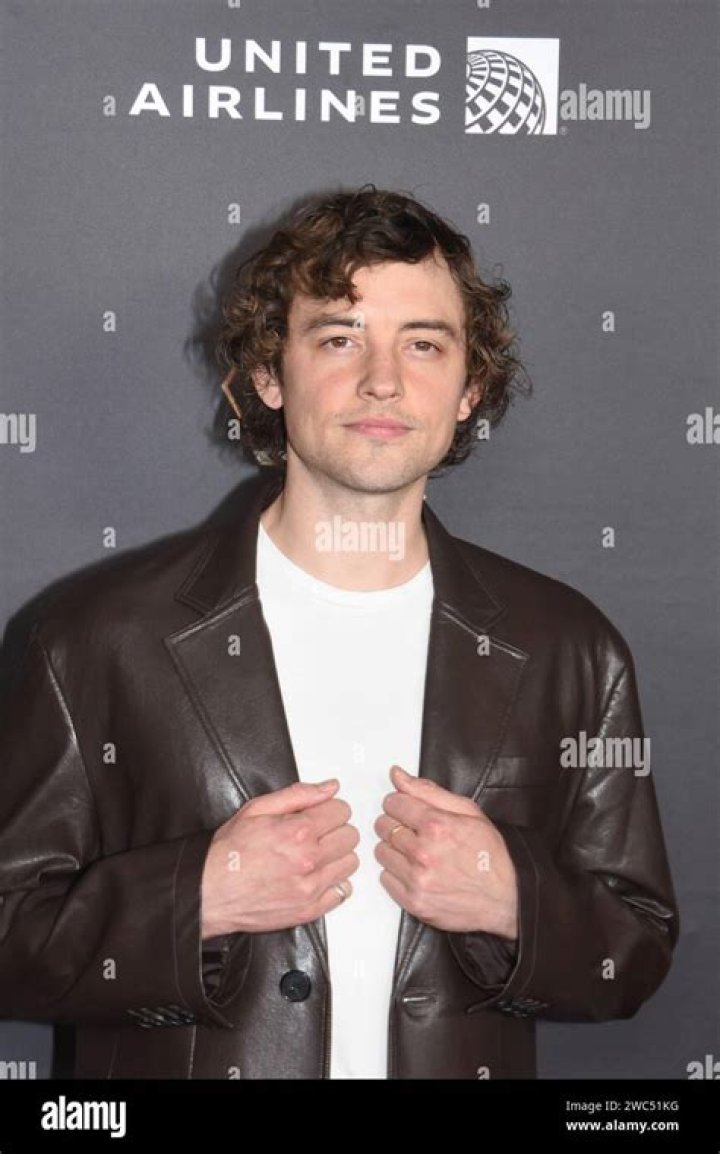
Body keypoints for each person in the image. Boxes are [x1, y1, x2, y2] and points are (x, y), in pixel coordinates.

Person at [0, 187, 678, 1080]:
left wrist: (516, 901)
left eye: (424, 344)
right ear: (268, 376)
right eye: (339, 338)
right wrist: (194, 897)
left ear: (470, 387)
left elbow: (635, 946)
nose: (383, 380)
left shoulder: (570, 648)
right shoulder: (96, 637)